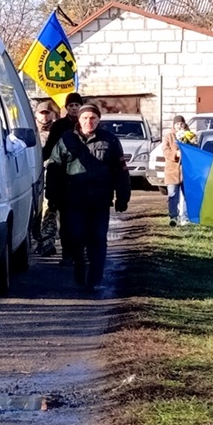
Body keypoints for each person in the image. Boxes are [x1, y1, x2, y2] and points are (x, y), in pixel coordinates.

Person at [45, 103, 131, 289]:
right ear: (79, 119)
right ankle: (80, 268)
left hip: (99, 202)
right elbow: (54, 169)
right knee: (75, 237)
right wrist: (51, 196)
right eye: (85, 118)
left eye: (93, 118)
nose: (88, 121)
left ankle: (95, 279)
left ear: (99, 120)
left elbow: (121, 171)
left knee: (98, 240)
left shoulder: (110, 140)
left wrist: (122, 196)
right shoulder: (66, 140)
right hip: (73, 202)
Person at [42, 92, 83, 263]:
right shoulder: (59, 126)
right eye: (71, 106)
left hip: (82, 178)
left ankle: (80, 252)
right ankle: (67, 254)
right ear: (66, 108)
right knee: (65, 219)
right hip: (62, 176)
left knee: (81, 219)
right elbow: (50, 147)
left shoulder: (86, 125)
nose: (74, 109)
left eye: (77, 105)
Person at [32, 104, 60, 256]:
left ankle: (47, 241)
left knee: (50, 209)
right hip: (34, 176)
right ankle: (37, 239)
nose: (44, 117)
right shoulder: (31, 131)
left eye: (47, 113)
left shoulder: (56, 131)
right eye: (42, 113)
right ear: (36, 114)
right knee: (35, 211)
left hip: (51, 175)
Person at [162, 115, 193, 226]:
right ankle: (173, 217)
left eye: (181, 124)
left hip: (186, 171)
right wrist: (176, 154)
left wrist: (189, 143)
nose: (179, 126)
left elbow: (195, 148)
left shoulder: (190, 135)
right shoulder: (168, 136)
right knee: (173, 195)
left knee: (186, 196)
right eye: (177, 124)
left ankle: (184, 217)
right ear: (173, 125)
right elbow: (165, 151)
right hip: (172, 171)